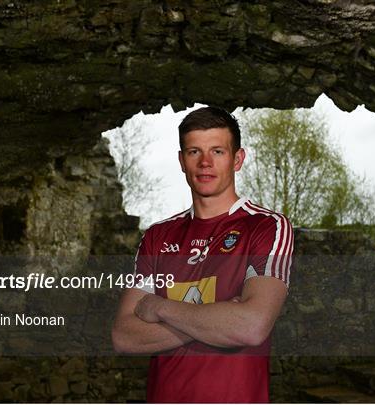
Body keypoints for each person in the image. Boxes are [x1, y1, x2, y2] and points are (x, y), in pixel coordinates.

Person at [112, 106, 294, 403]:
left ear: (237, 159)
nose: (205, 162)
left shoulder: (266, 226)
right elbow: (124, 336)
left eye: (218, 151)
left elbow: (251, 327)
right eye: (194, 151)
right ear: (182, 161)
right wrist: (218, 318)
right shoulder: (158, 236)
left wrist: (160, 308)